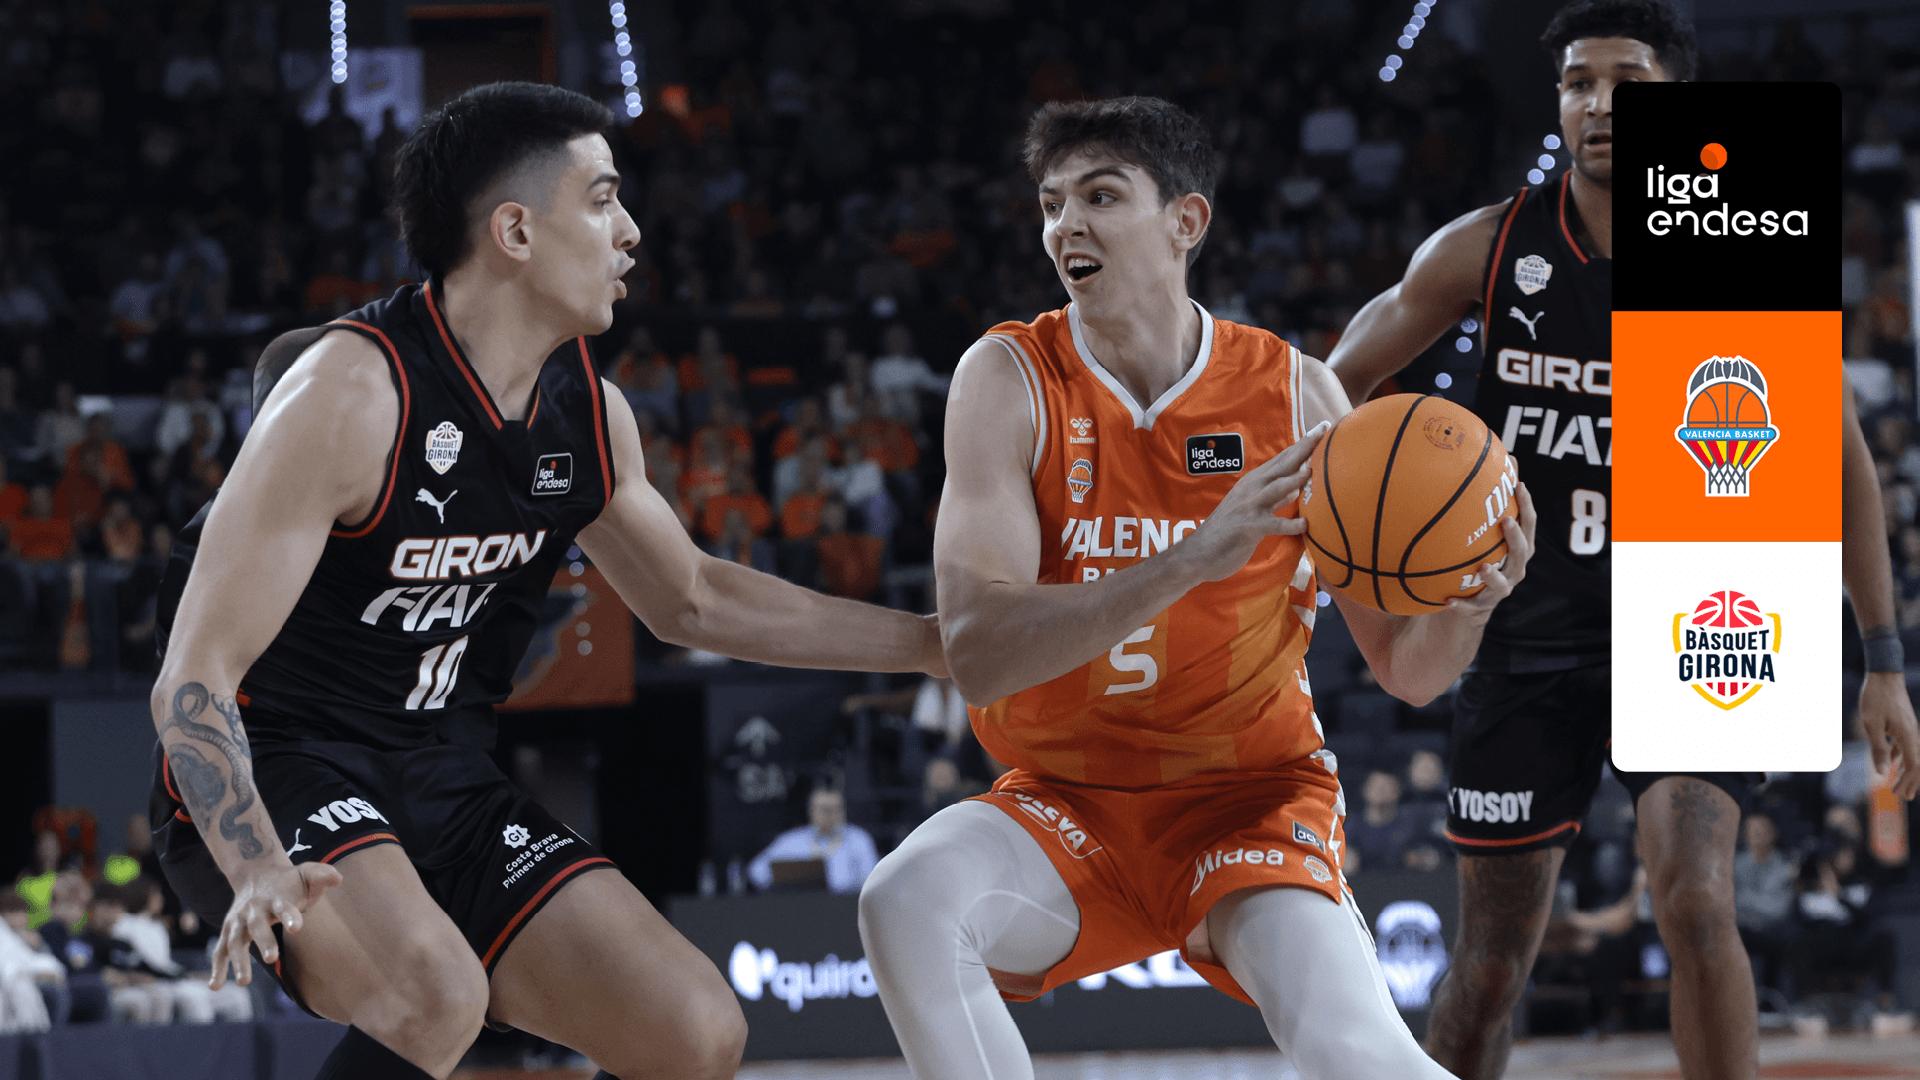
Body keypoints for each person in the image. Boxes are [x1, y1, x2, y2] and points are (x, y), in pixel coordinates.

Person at [148, 82, 944, 1080]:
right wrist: (257, 861)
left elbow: (694, 599)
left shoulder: (589, 414)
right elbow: (195, 674)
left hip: (443, 771)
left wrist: (932, 644)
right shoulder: (351, 393)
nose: (633, 231)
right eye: (604, 200)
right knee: (436, 996)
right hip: (281, 766)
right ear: (516, 231)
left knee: (695, 1031)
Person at [858, 95, 1536, 1080]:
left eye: (1100, 196)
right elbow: (979, 651)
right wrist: (1190, 558)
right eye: (1051, 203)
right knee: (904, 900)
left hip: (1247, 799)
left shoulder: (1297, 395)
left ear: (1186, 221)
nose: (1065, 225)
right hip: (1065, 805)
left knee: (1358, 1057)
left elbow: (1409, 670)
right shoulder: (1009, 378)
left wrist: (1472, 602)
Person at [1325, 4, 1920, 1076]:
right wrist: (1357, 555)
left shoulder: (1738, 248)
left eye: (1628, 82)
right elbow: (1331, 386)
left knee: (1695, 899)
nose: (1600, 104)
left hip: (1696, 623)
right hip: (1521, 632)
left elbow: (1840, 465)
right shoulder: (1489, 246)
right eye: (1578, 83)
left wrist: (1882, 662)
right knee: (1492, 962)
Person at [745, 788, 879, 895]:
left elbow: (873, 882)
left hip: (846, 909)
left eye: (835, 809)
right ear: (811, 811)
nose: (829, 815)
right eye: (823, 809)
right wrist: (785, 884)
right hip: (798, 908)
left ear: (844, 811)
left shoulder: (859, 839)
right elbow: (756, 871)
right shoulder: (791, 840)